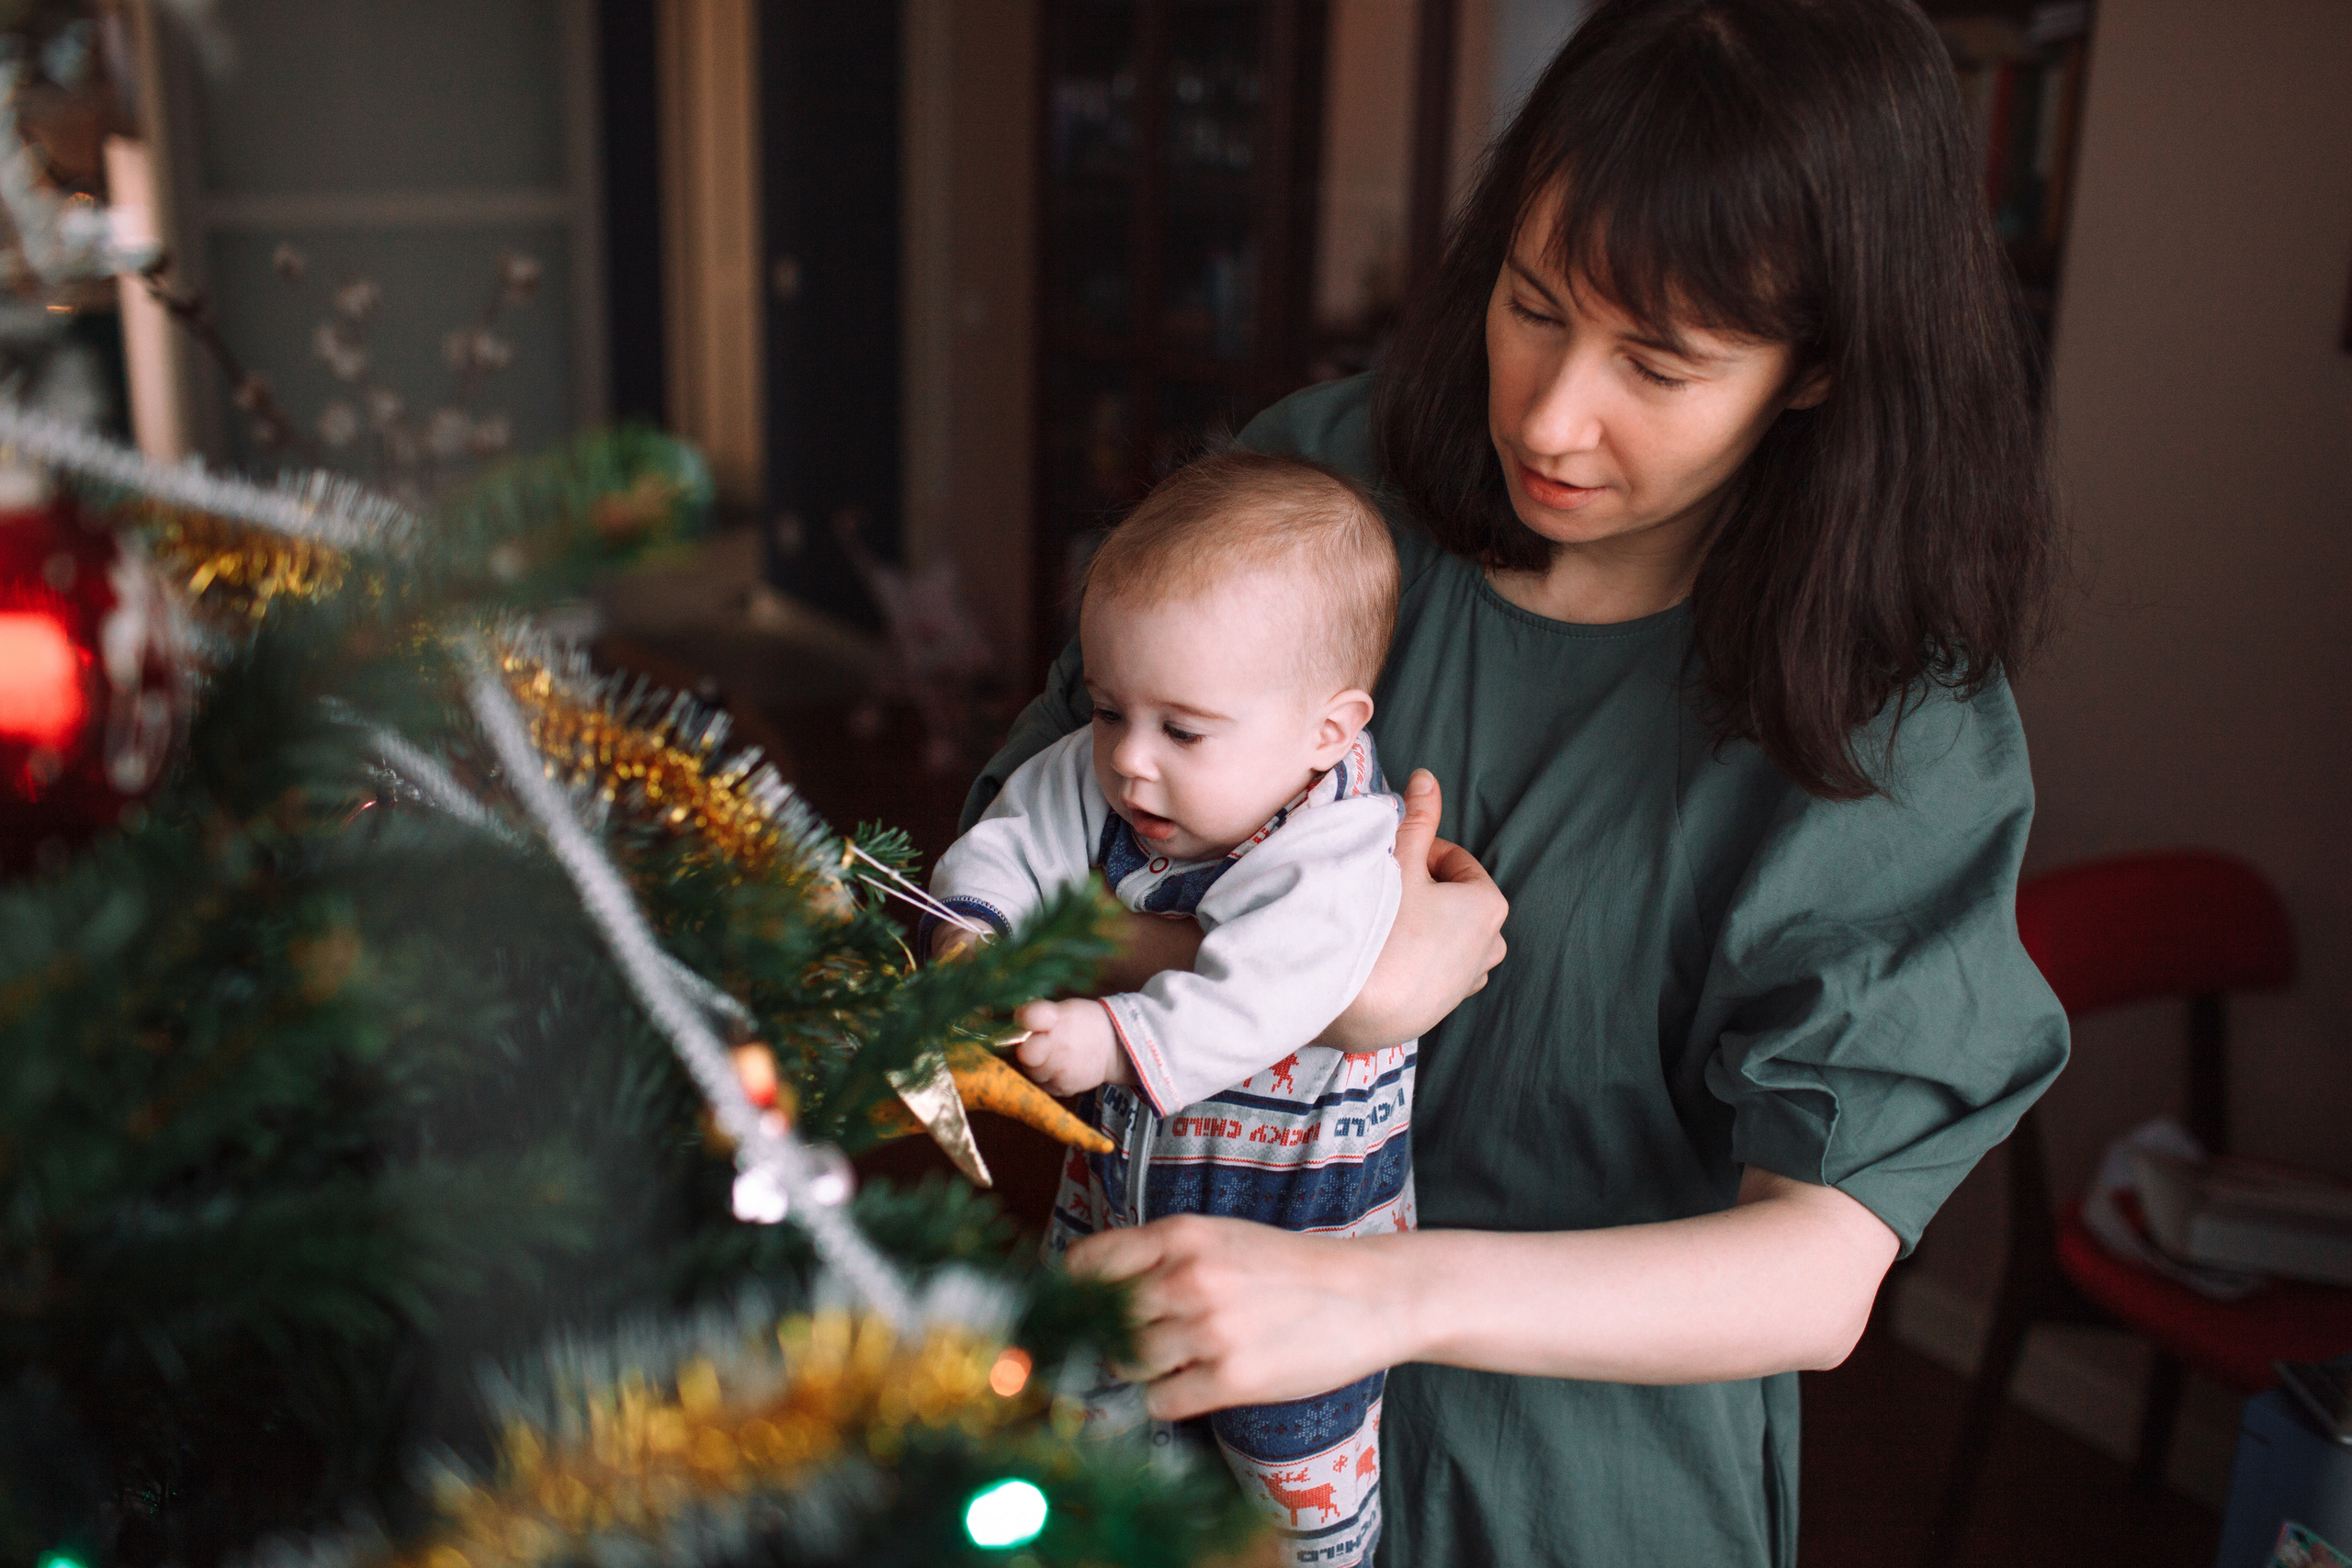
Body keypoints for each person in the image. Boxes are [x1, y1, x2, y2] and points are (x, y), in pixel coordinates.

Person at [961, 0, 2071, 1561]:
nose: (1552, 415)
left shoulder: (1887, 713)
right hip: (1165, 1431)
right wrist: (1324, 976)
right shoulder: (1318, 498)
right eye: (1532, 304)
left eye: (1659, 362)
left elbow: (1820, 1264)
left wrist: (1371, 1295)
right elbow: (986, 889)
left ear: (1815, 369)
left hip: (1571, 1483)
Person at [928, 452, 1413, 1566]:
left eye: (1181, 732)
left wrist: (1109, 1034)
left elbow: (1273, 991)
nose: (1130, 764)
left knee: (1297, 1488)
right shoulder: (1102, 776)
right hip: (1113, 1209)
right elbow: (1008, 841)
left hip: (1299, 1248)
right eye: (1108, 711)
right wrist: (971, 934)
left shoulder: (1340, 849)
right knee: (1073, 1435)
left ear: (1328, 734)